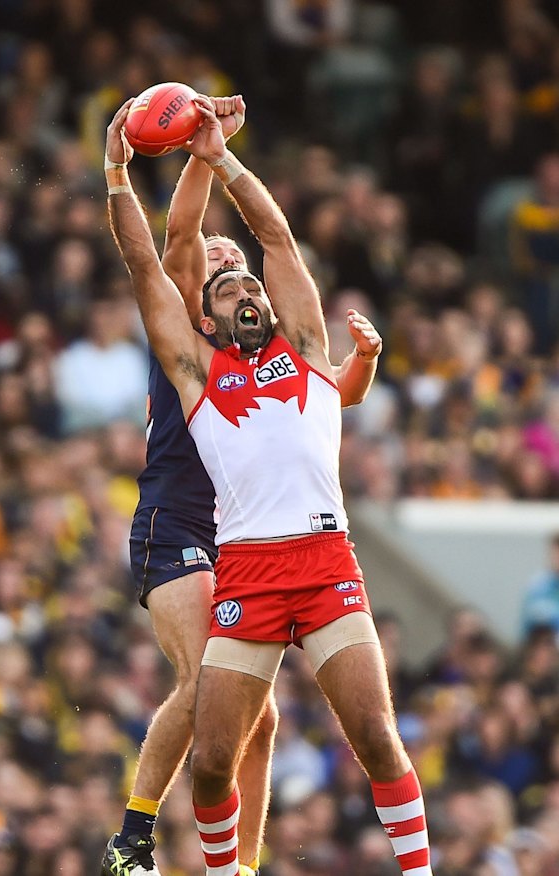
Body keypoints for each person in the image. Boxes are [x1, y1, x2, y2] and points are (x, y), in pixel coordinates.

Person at [106, 94, 431, 876]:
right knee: (215, 760)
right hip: (245, 567)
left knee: (378, 737)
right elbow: (152, 262)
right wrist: (116, 172)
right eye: (226, 289)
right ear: (206, 323)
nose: (245, 289)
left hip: (324, 562)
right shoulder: (196, 378)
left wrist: (221, 157)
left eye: (250, 284)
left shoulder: (308, 349)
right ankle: (186, 855)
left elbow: (276, 236)